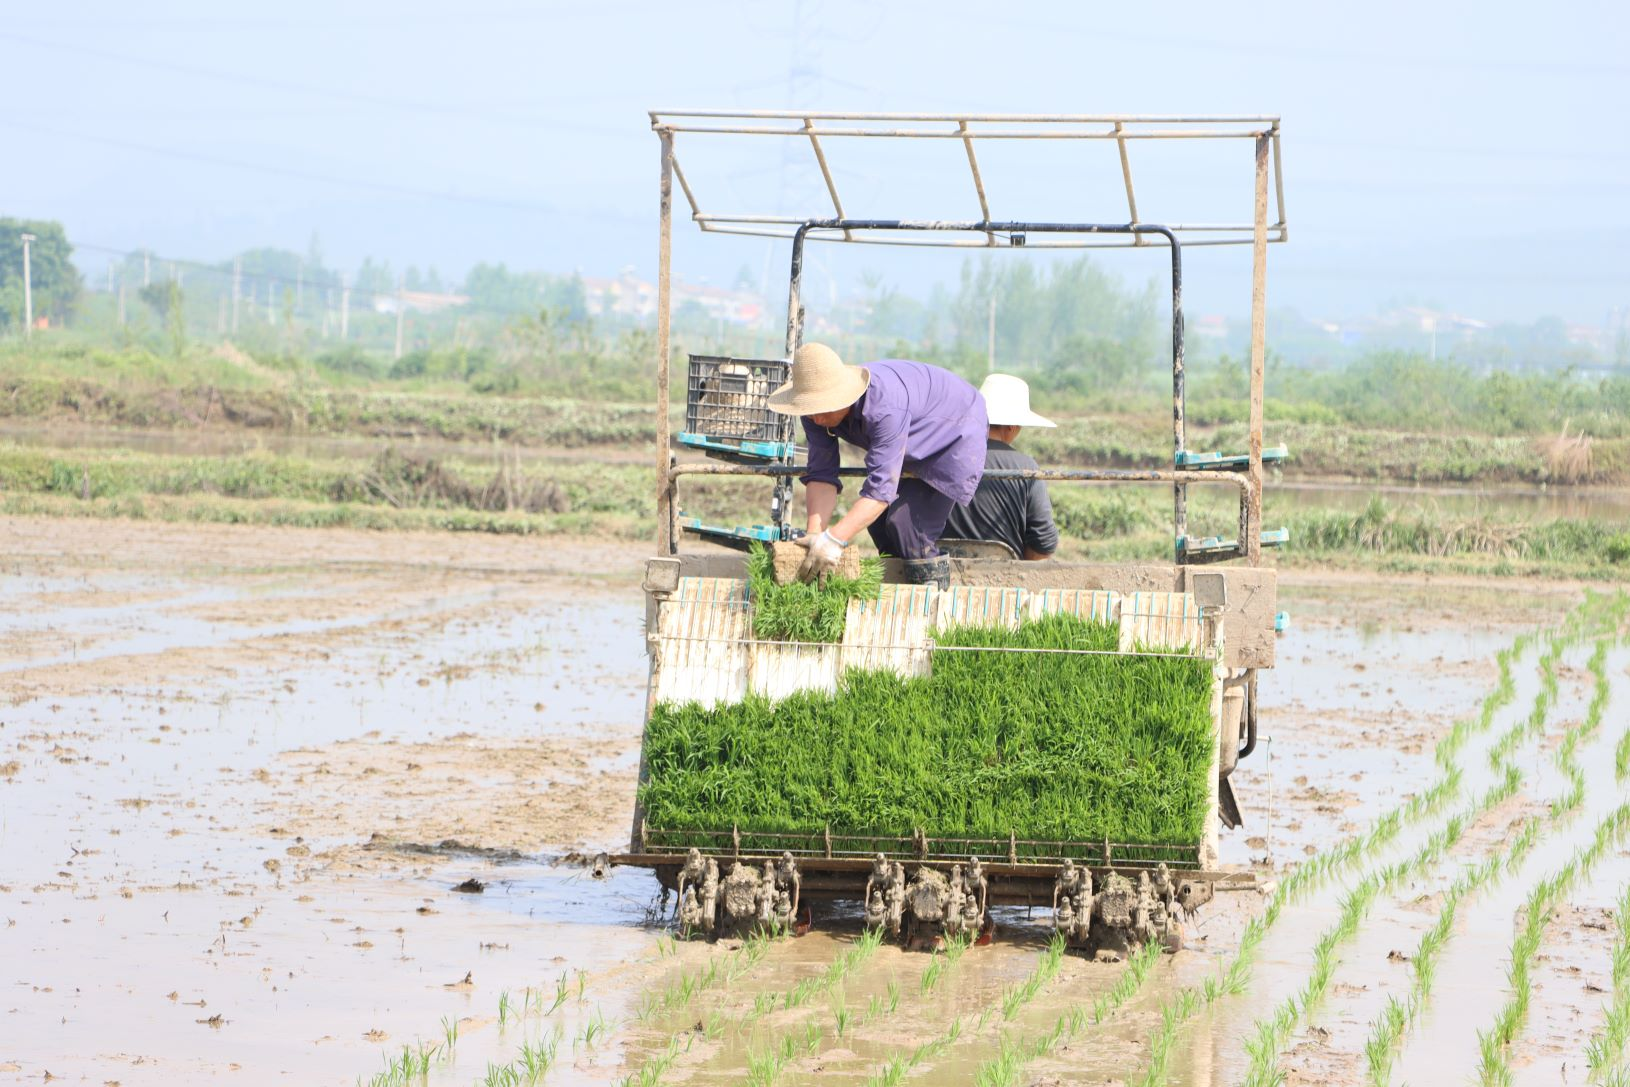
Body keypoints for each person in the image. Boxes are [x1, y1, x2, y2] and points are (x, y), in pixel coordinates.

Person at [767, 342, 987, 588]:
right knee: (880, 526)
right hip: (910, 431)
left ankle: (932, 603)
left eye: (823, 409)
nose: (817, 419)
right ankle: (895, 598)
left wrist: (834, 539)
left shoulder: (884, 407)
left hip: (955, 428)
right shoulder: (814, 414)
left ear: (844, 394)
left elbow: (881, 490)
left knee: (908, 528)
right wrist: (815, 539)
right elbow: (822, 473)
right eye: (811, 411)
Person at [943, 373, 1059, 560]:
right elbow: (1043, 543)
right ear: (1012, 426)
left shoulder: (942, 456)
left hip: (939, 573)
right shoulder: (1026, 468)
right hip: (1006, 579)